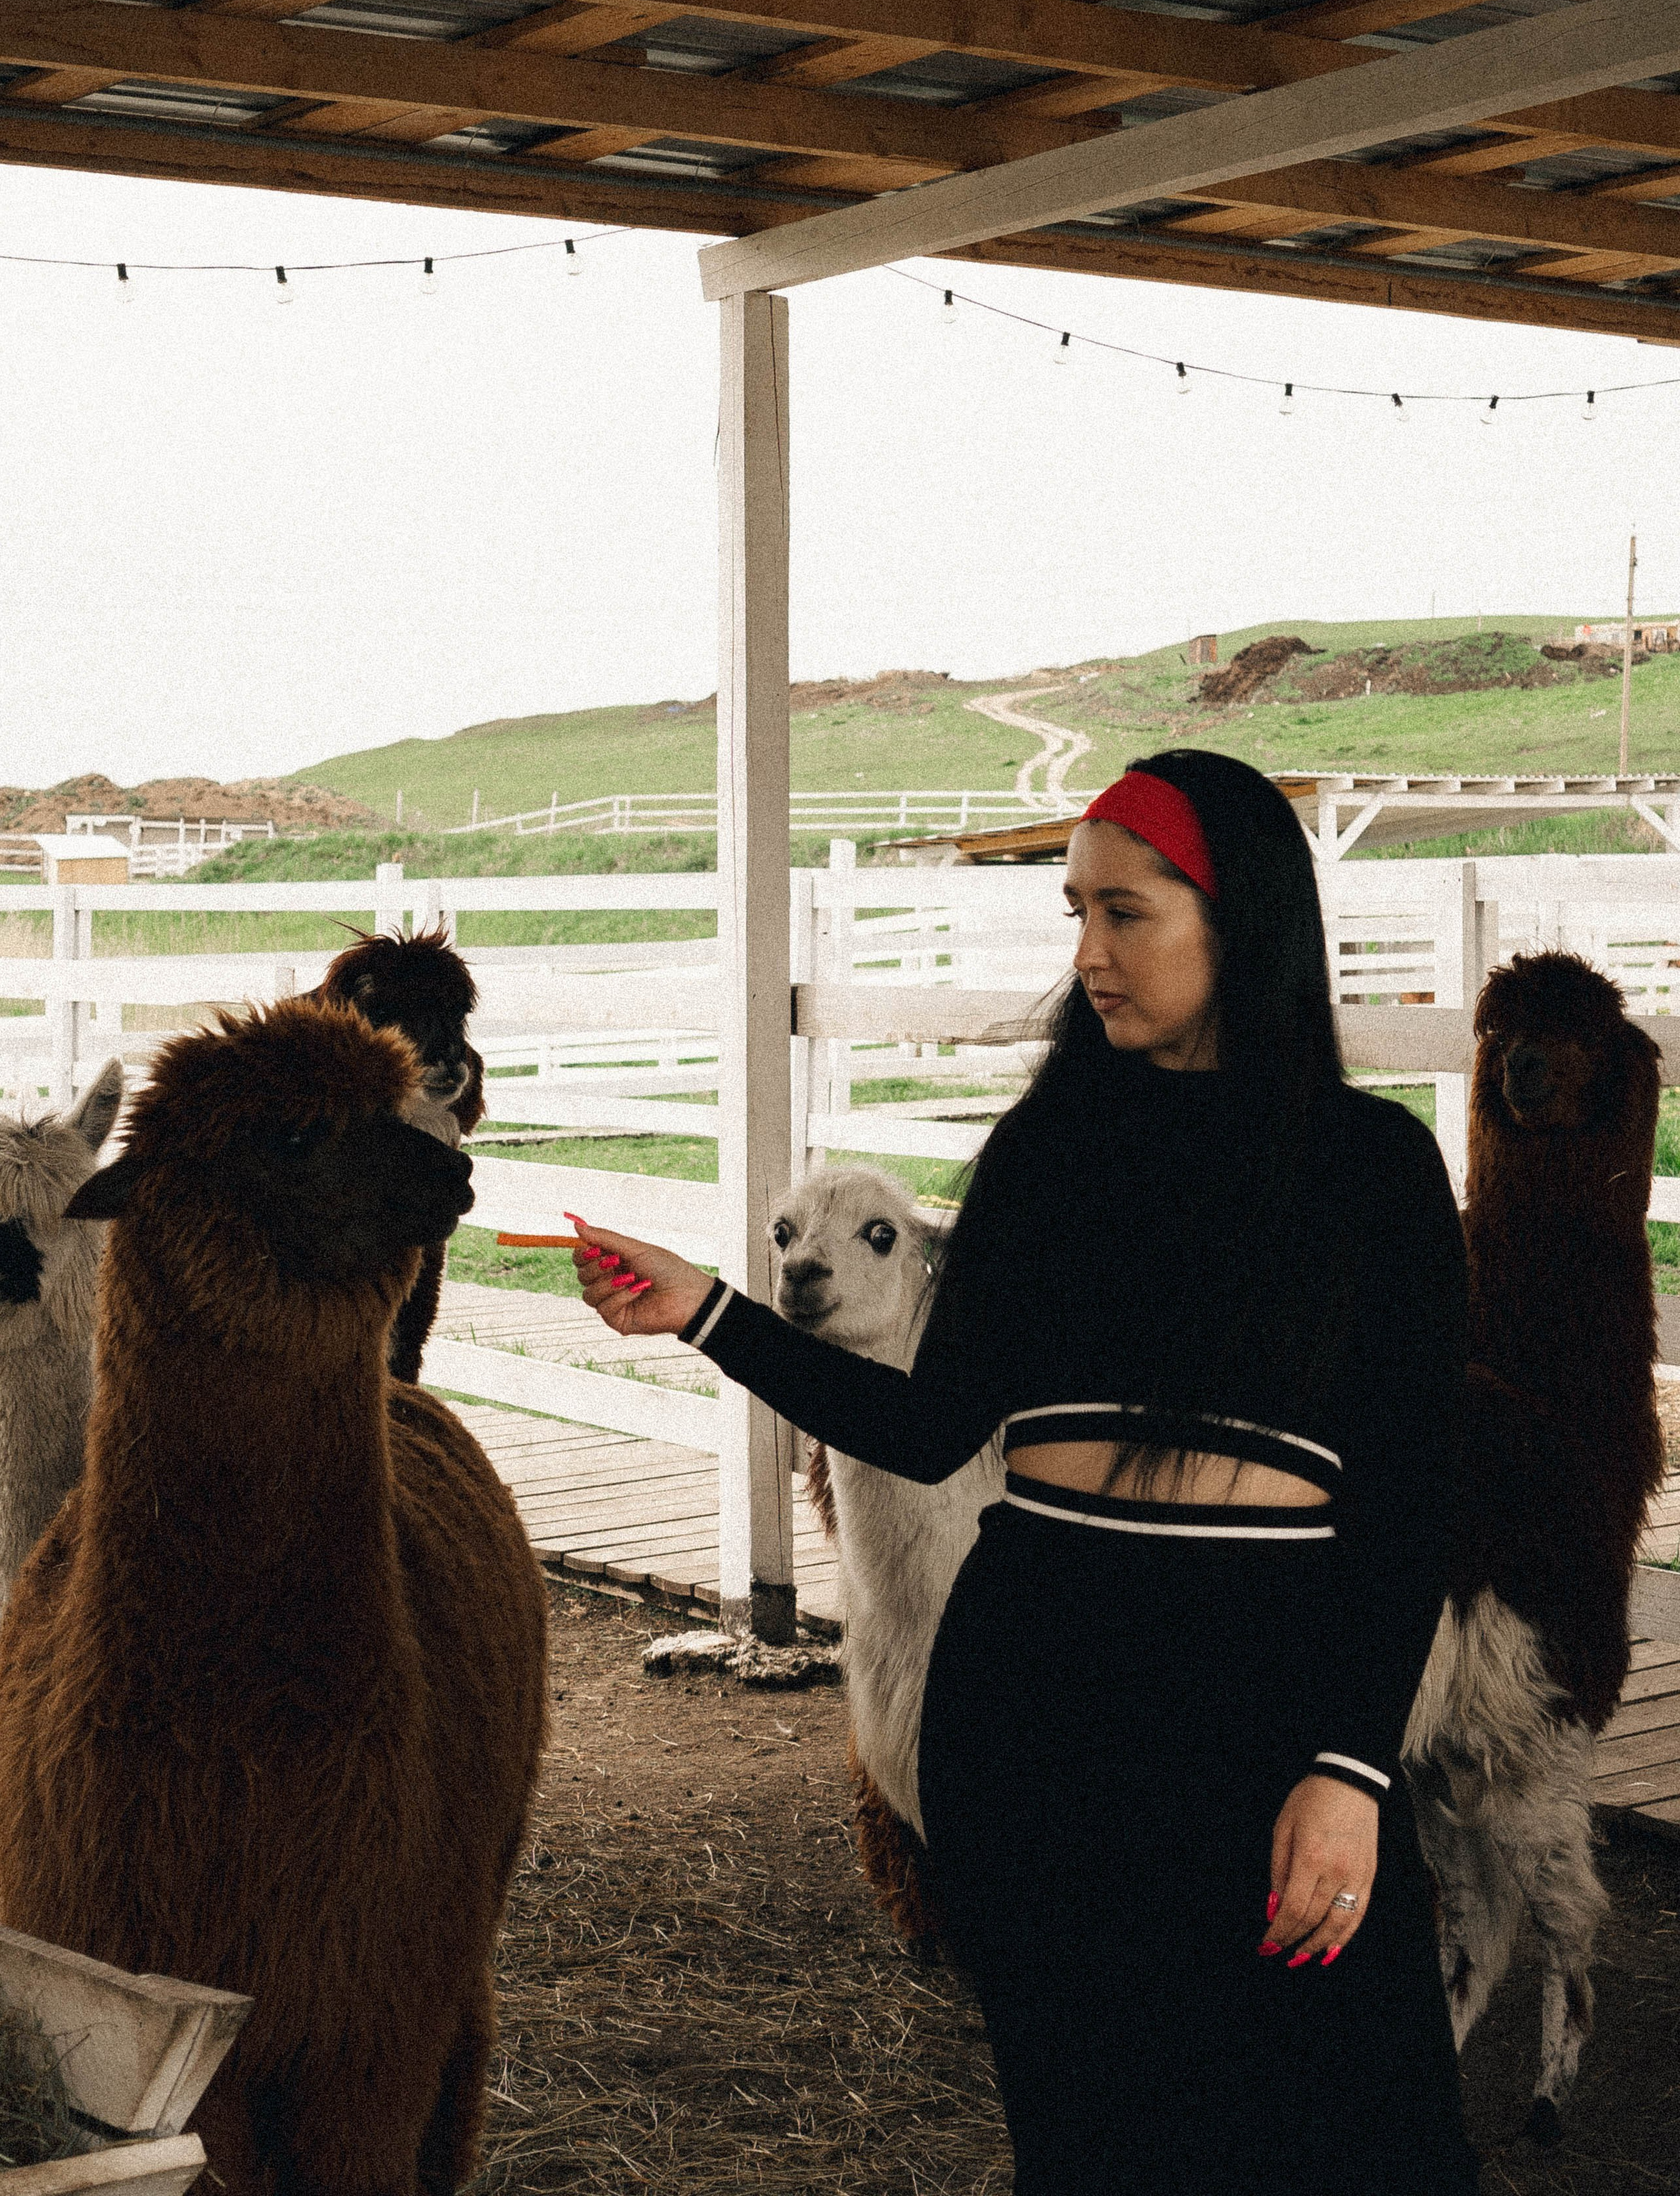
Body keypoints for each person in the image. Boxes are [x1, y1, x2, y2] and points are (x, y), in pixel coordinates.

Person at [569, 750, 1479, 2196]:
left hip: (1262, 1706)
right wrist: (707, 1313)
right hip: (1040, 1707)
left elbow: (1413, 1493)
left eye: (1125, 914)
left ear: (1235, 916)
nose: (1088, 956)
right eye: (1074, 914)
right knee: (1100, 2140)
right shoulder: (1047, 1157)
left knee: (1364, 2138)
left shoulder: (1366, 1171)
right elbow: (933, 1429)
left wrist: (1346, 1765)